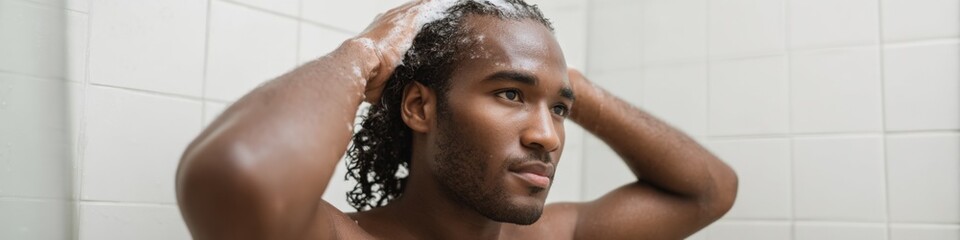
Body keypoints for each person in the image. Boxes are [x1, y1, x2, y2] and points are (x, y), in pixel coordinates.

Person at [175, 0, 738, 239]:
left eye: (560, 110)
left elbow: (708, 191)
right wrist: (363, 55)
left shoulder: (557, 236)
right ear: (420, 107)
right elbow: (241, 174)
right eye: (510, 95)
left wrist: (569, 83)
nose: (548, 134)